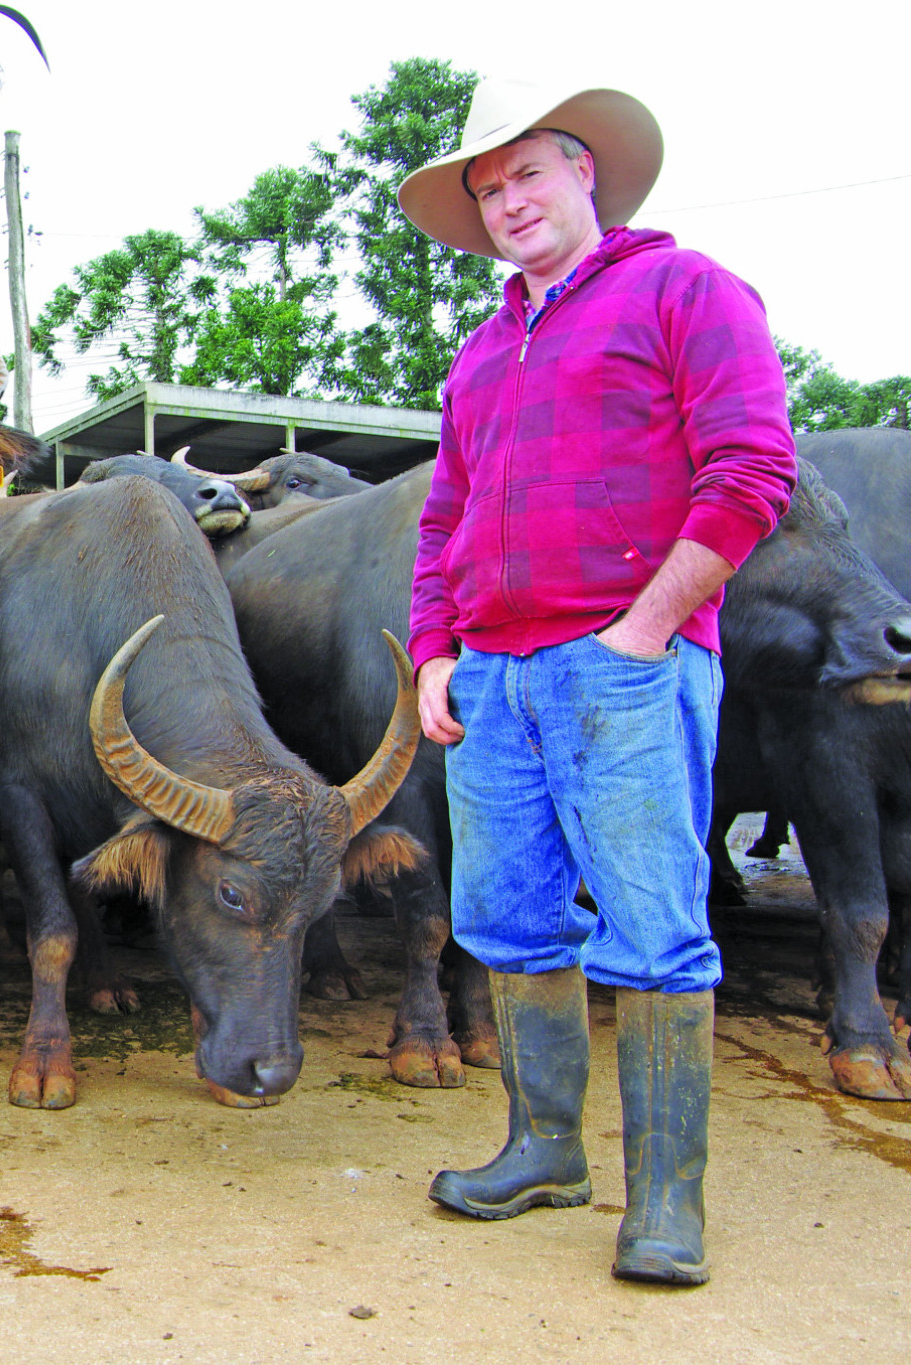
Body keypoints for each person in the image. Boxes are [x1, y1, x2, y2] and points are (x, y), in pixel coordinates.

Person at [400, 78, 797, 1286]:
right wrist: (432, 654)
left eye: (526, 173)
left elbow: (749, 470)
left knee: (653, 930)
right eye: (485, 188)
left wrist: (644, 631)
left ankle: (664, 1203)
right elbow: (442, 520)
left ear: (586, 176)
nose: (507, 200)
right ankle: (542, 1148)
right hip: (496, 680)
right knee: (510, 921)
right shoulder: (478, 354)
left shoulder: (684, 291)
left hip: (622, 665)